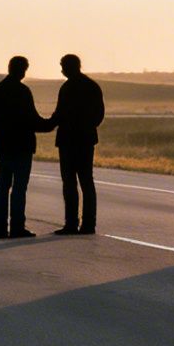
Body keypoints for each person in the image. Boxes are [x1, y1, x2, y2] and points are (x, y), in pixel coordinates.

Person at [0, 56, 51, 239]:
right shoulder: (22, 91)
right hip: (22, 146)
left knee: (2, 185)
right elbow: (32, 120)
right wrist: (52, 123)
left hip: (4, 145)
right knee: (19, 187)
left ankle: (0, 229)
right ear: (22, 70)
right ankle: (17, 227)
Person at [49, 53, 105, 235]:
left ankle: (71, 223)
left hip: (68, 141)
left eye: (63, 66)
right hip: (86, 140)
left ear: (69, 67)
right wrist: (87, 127)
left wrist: (44, 125)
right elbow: (99, 115)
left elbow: (58, 114)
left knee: (70, 183)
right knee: (87, 181)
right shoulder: (92, 86)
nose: (62, 70)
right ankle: (89, 224)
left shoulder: (67, 87)